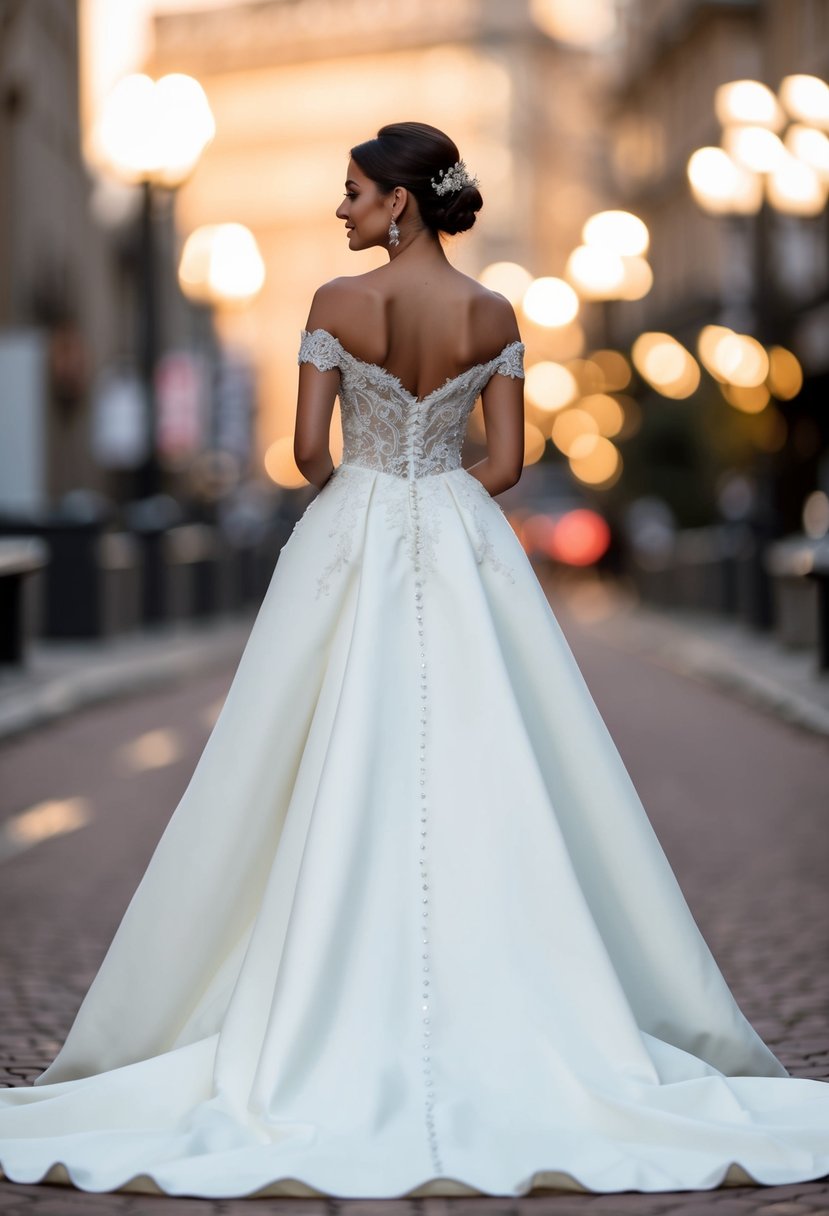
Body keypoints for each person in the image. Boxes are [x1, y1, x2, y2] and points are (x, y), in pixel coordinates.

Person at [1, 119, 828, 1201]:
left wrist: (366, 489)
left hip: (354, 535)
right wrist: (436, 503)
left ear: (399, 200)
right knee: (494, 757)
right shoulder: (491, 311)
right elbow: (509, 459)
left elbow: (306, 454)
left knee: (313, 749)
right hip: (455, 532)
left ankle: (325, 982)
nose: (339, 210)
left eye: (351, 192)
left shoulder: (337, 307)